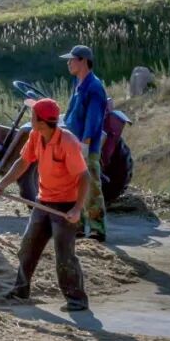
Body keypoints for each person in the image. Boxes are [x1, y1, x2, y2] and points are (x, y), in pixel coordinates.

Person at [0, 98, 90, 312]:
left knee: (64, 255)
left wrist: (77, 208)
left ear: (42, 122)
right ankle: (21, 289)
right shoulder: (35, 135)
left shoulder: (68, 143)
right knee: (28, 247)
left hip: (65, 206)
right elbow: (23, 162)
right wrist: (2, 184)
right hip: (43, 202)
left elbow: (84, 177)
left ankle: (77, 299)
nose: (30, 118)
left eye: (33, 115)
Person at [61, 44, 109, 242]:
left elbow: (94, 119)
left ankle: (97, 228)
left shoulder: (94, 87)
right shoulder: (78, 83)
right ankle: (78, 226)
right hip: (73, 143)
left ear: (83, 61)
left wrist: (85, 144)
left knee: (91, 186)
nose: (68, 63)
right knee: (74, 186)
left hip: (85, 146)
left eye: (72, 59)